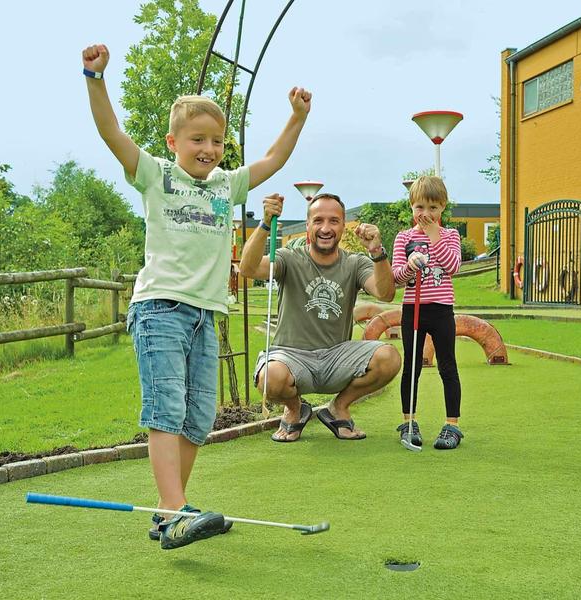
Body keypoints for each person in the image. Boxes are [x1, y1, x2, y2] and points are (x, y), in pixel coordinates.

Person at [81, 43, 311, 548]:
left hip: (206, 315)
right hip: (160, 307)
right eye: (197, 139)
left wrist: (296, 117)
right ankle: (173, 507)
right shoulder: (156, 176)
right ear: (174, 141)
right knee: (166, 408)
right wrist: (94, 79)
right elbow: (110, 133)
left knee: (199, 415)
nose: (208, 148)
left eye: (216, 141)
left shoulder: (225, 185)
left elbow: (273, 158)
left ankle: (171, 513)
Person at [239, 192, 401, 442]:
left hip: (337, 355)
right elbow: (248, 269)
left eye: (333, 221)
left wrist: (377, 252)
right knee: (271, 378)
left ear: (343, 226)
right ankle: (295, 410)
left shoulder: (355, 263)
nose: (326, 228)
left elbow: (385, 293)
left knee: (389, 358)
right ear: (308, 226)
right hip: (291, 355)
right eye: (318, 221)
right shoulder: (289, 258)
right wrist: (264, 224)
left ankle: (339, 407)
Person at [391, 176, 464, 450]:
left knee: (447, 365)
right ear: (411, 207)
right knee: (412, 367)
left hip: (442, 309)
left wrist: (434, 236)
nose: (426, 214)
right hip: (414, 309)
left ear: (443, 207)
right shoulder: (404, 238)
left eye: (433, 208)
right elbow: (397, 277)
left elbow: (453, 266)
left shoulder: (450, 236)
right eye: (420, 207)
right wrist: (411, 265)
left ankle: (452, 425)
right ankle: (409, 422)